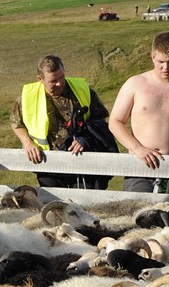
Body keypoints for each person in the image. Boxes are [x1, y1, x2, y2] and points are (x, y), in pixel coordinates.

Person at [108, 31, 169, 194]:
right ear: (152, 56)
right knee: (139, 214)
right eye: (161, 61)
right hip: (139, 164)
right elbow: (115, 122)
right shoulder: (135, 84)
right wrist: (139, 149)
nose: (166, 67)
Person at [9, 54, 117, 189]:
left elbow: (101, 118)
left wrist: (86, 138)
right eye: (53, 81)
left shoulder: (81, 89)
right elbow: (16, 123)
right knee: (54, 206)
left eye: (62, 77)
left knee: (85, 205)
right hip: (47, 164)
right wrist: (27, 143)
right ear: (40, 79)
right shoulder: (27, 97)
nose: (60, 83)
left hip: (82, 161)